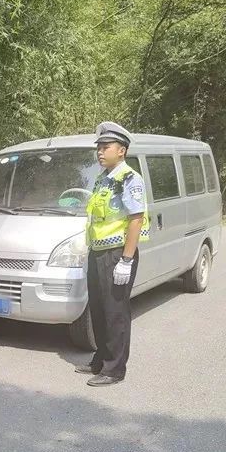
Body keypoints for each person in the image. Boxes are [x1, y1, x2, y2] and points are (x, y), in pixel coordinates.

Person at [75, 122, 149, 387]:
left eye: (106, 147)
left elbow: (136, 220)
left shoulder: (129, 179)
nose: (100, 152)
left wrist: (126, 261)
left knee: (115, 312)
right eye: (99, 147)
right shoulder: (102, 179)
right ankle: (100, 360)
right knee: (98, 309)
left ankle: (114, 369)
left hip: (117, 254)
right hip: (99, 253)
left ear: (122, 151)